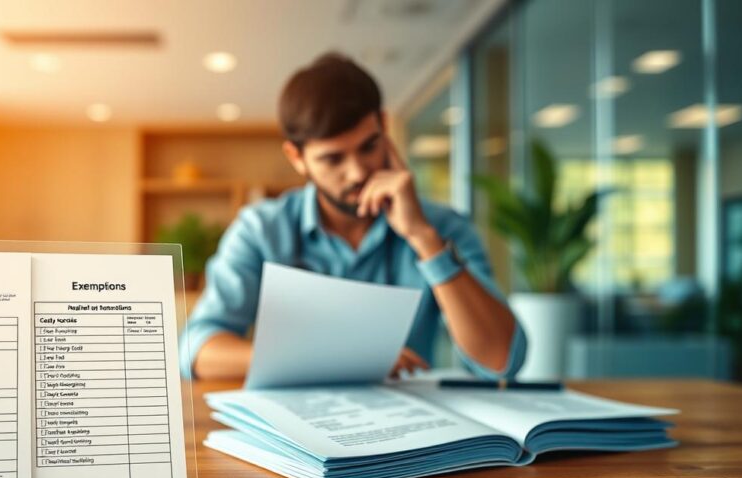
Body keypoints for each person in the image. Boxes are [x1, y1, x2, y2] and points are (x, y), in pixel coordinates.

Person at [180, 52, 526, 381]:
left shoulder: (442, 227)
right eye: (333, 159)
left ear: (384, 128)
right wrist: (334, 360)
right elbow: (197, 350)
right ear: (296, 157)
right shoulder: (261, 229)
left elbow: (501, 362)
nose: (358, 172)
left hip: (412, 427)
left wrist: (423, 238)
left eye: (369, 146)